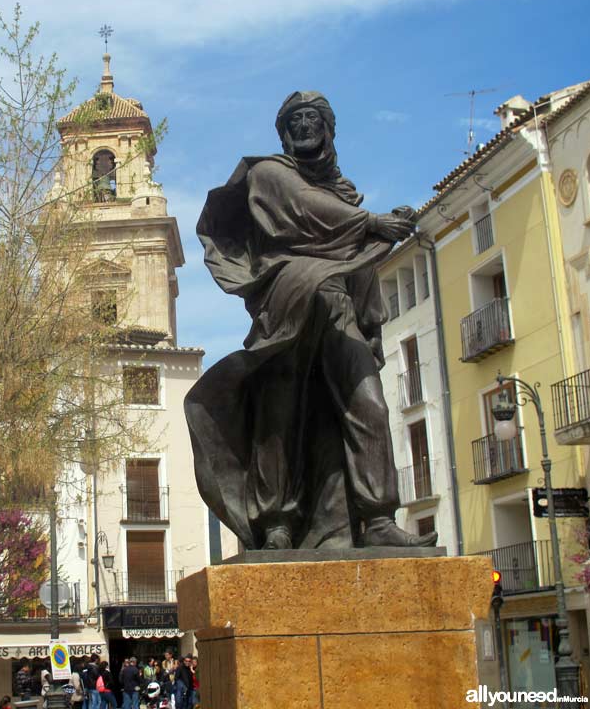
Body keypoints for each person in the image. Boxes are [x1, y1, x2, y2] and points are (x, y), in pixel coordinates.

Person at [184, 91, 439, 551]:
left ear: (327, 129)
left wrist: (371, 323)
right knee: (280, 414)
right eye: (294, 120)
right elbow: (304, 210)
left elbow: (358, 264)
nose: (303, 126)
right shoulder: (270, 174)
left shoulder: (344, 194)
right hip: (289, 301)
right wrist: (372, 222)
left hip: (337, 306)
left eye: (312, 118)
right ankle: (276, 521)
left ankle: (378, 517)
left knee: (370, 406)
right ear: (283, 132)